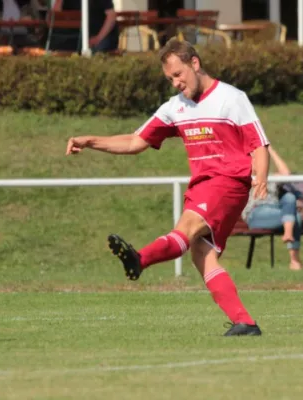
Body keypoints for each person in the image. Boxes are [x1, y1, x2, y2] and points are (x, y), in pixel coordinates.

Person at [66, 38, 270, 336]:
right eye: (170, 78)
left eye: (178, 74)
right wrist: (91, 141)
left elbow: (258, 144)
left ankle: (141, 259)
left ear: (195, 64)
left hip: (227, 183)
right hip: (204, 186)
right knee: (201, 253)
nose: (175, 82)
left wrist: (261, 177)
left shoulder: (231, 98)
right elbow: (136, 141)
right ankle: (245, 322)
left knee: (186, 228)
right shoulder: (175, 108)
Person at [242, 146, 303, 271]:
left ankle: (294, 260)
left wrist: (270, 149)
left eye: (261, 158)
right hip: (256, 213)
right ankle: (294, 256)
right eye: (254, 158)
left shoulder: (271, 177)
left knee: (290, 200)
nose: (258, 161)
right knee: (294, 217)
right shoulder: (245, 176)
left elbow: (286, 175)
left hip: (277, 211)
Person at [52, 0, 119, 53]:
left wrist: (98, 38)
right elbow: (55, 17)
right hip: (76, 37)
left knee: (95, 51)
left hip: (101, 35)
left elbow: (111, 16)